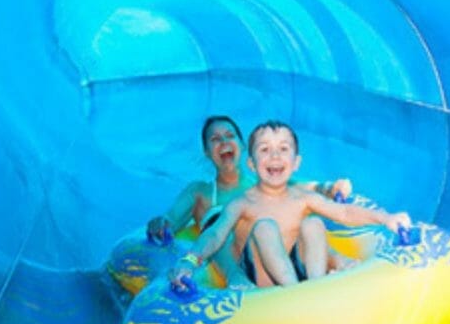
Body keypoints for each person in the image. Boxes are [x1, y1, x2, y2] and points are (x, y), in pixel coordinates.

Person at [168, 120, 410, 288]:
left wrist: (386, 218)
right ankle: (298, 292)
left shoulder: (301, 196)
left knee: (313, 224)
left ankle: (317, 286)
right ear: (252, 164)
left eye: (283, 149)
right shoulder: (242, 202)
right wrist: (189, 261)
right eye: (265, 150)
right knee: (264, 228)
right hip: (262, 277)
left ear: (296, 163)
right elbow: (215, 235)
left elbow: (345, 212)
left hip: (299, 270)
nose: (275, 156)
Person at [146, 115, 352, 284]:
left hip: (281, 254)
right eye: (215, 139)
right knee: (219, 221)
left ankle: (336, 261)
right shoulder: (201, 191)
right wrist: (163, 227)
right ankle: (236, 278)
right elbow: (171, 220)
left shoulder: (265, 180)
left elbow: (307, 188)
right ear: (207, 152)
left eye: (230, 136)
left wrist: (331, 188)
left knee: (296, 215)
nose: (224, 142)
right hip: (246, 262)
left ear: (242, 145)